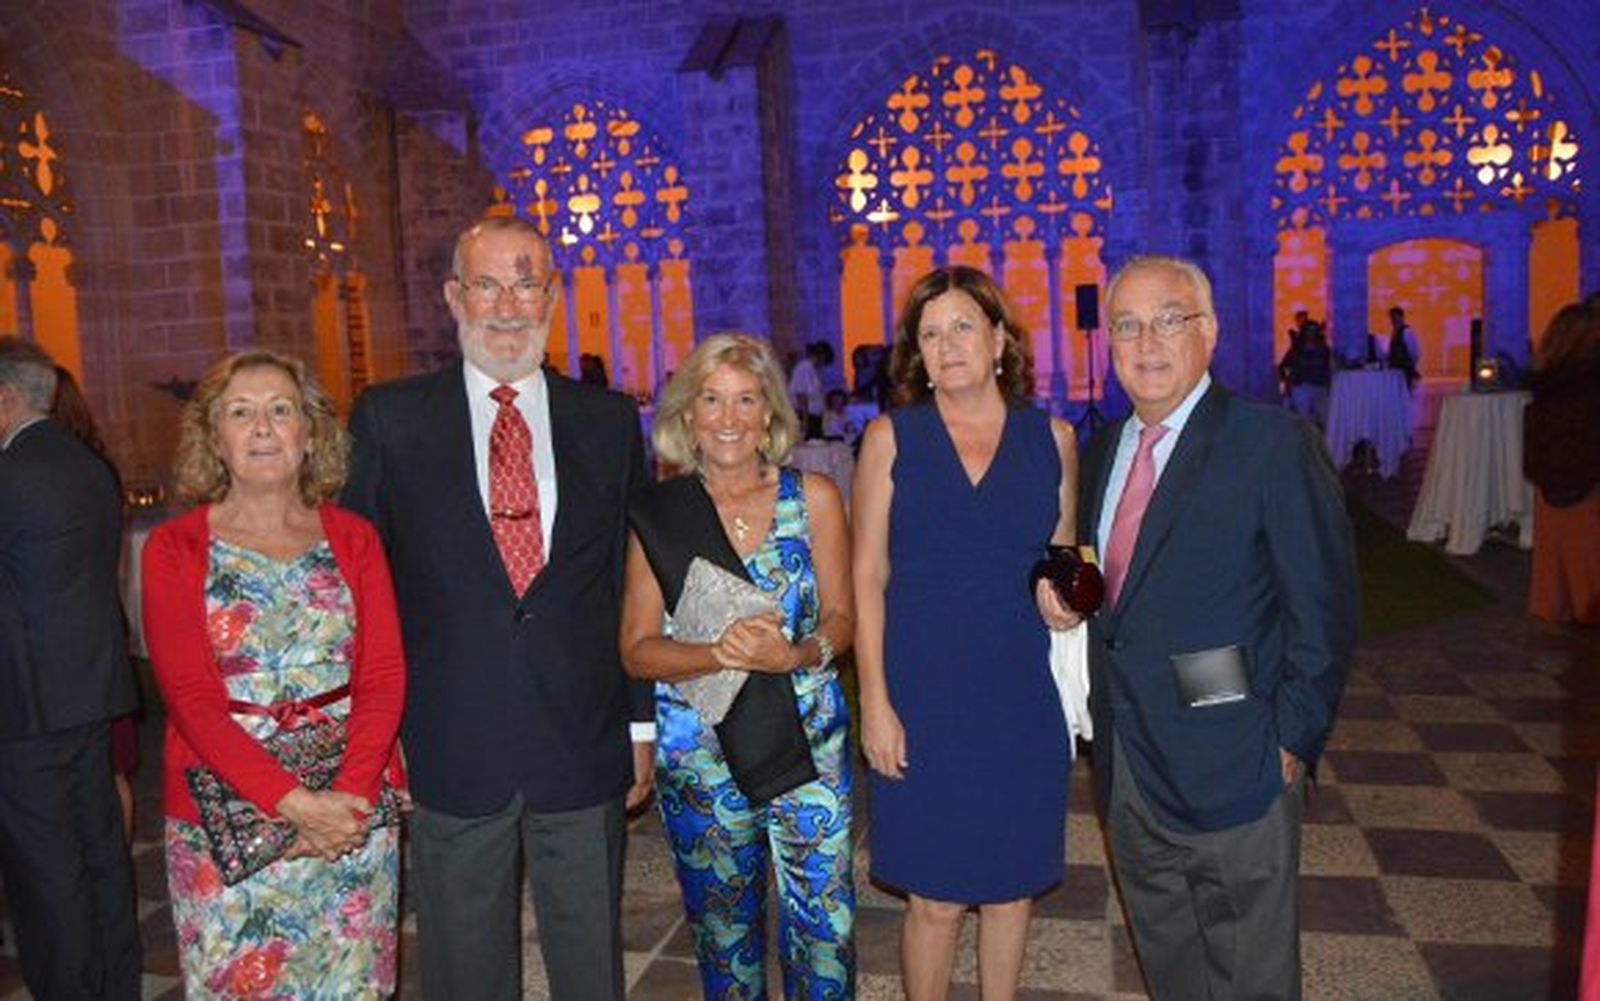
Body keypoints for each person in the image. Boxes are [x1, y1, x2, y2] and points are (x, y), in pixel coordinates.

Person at [342, 214, 652, 1000]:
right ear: (454, 296)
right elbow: (363, 594)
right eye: (487, 283)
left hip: (580, 737)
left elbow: (631, 589)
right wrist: (380, 736)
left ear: (551, 295)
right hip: (448, 740)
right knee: (464, 968)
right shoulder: (390, 418)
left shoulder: (608, 422)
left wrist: (640, 726)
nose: (508, 304)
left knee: (590, 961)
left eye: (526, 282)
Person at [1079, 256, 1356, 1001]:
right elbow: (1120, 595)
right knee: (1171, 962)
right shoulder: (1103, 449)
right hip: (1130, 760)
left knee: (1251, 974)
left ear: (1209, 332)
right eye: (1128, 325)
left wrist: (1291, 737)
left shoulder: (1270, 443)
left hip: (1237, 755)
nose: (1147, 341)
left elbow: (1323, 610)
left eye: (1169, 319)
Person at [141, 350, 406, 997]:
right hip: (225, 815)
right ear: (214, 436)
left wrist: (345, 796)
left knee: (353, 984)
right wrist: (294, 806)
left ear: (309, 433)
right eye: (242, 411)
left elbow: (383, 673)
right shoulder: (173, 548)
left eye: (280, 410)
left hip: (352, 809)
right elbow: (190, 698)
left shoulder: (355, 536)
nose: (263, 426)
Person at [854, 265, 1080, 1000]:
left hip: (1018, 691)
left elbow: (1065, 558)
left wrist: (1068, 598)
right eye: (929, 333)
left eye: (961, 327)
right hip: (923, 694)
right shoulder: (892, 437)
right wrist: (876, 705)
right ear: (915, 354)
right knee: (936, 897)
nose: (946, 345)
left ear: (998, 338)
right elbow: (867, 576)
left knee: (1013, 887)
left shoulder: (1053, 437)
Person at [619, 332, 856, 998]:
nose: (728, 418)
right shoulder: (661, 515)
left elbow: (843, 617)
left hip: (808, 739)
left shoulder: (813, 499)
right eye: (711, 400)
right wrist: (714, 653)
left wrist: (795, 653)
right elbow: (636, 648)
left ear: (771, 415)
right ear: (686, 416)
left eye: (746, 399)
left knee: (825, 933)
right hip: (701, 752)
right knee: (724, 937)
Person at [0, 338, 142, 999]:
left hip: (24, 703)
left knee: (46, 868)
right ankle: (115, 982)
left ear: (5, 397)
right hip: (89, 688)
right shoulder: (87, 464)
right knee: (100, 853)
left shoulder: (11, 474)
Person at [50, 365, 142, 841]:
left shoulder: (68, 470)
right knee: (107, 768)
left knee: (106, 769)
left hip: (83, 639)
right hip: (101, 629)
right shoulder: (94, 464)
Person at [1524, 301, 1600, 625]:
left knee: (1557, 556)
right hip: (1585, 480)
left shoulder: (1545, 387)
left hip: (1550, 478)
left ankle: (1558, 603)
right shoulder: (1588, 384)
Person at [1278, 312, 1332, 426]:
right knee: (1305, 422)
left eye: (1314, 331)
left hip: (1320, 387)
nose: (1311, 334)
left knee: (1325, 421)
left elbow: (1329, 367)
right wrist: (1288, 384)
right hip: (1302, 388)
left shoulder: (1324, 350)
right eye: (1309, 331)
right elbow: (1282, 367)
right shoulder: (1296, 350)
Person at [789, 340, 832, 438]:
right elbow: (801, 395)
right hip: (808, 415)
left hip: (815, 414)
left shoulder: (813, 369)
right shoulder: (804, 368)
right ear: (821, 356)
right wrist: (805, 419)